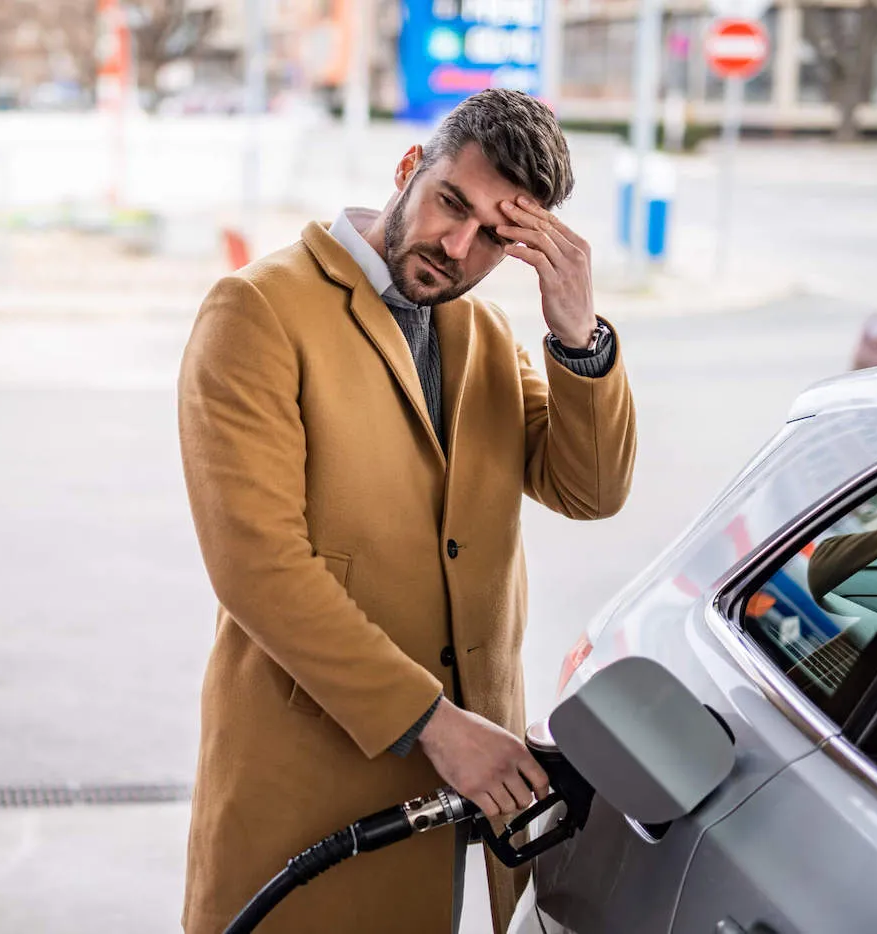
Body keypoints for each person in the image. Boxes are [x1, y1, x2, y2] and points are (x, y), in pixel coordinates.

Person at [176, 89, 638, 934]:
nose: (457, 247)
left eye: (495, 236)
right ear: (407, 170)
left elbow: (591, 489)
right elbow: (258, 567)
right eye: (450, 204)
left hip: (475, 802)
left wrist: (578, 333)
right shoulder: (259, 310)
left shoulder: (487, 338)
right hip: (317, 798)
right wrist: (431, 722)